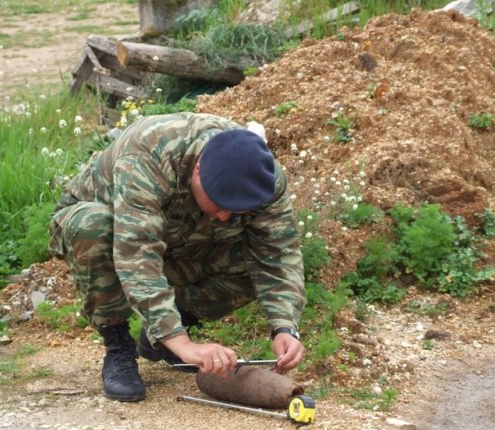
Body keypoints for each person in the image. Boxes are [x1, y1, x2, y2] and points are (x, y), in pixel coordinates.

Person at [49, 112, 306, 402]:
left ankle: (163, 337)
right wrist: (185, 344)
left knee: (247, 260)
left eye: (237, 211)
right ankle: (118, 345)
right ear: (198, 170)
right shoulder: (148, 155)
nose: (225, 216)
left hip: (179, 241)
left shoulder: (262, 178)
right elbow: (137, 255)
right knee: (91, 226)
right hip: (115, 239)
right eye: (221, 205)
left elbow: (278, 255)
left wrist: (284, 327)